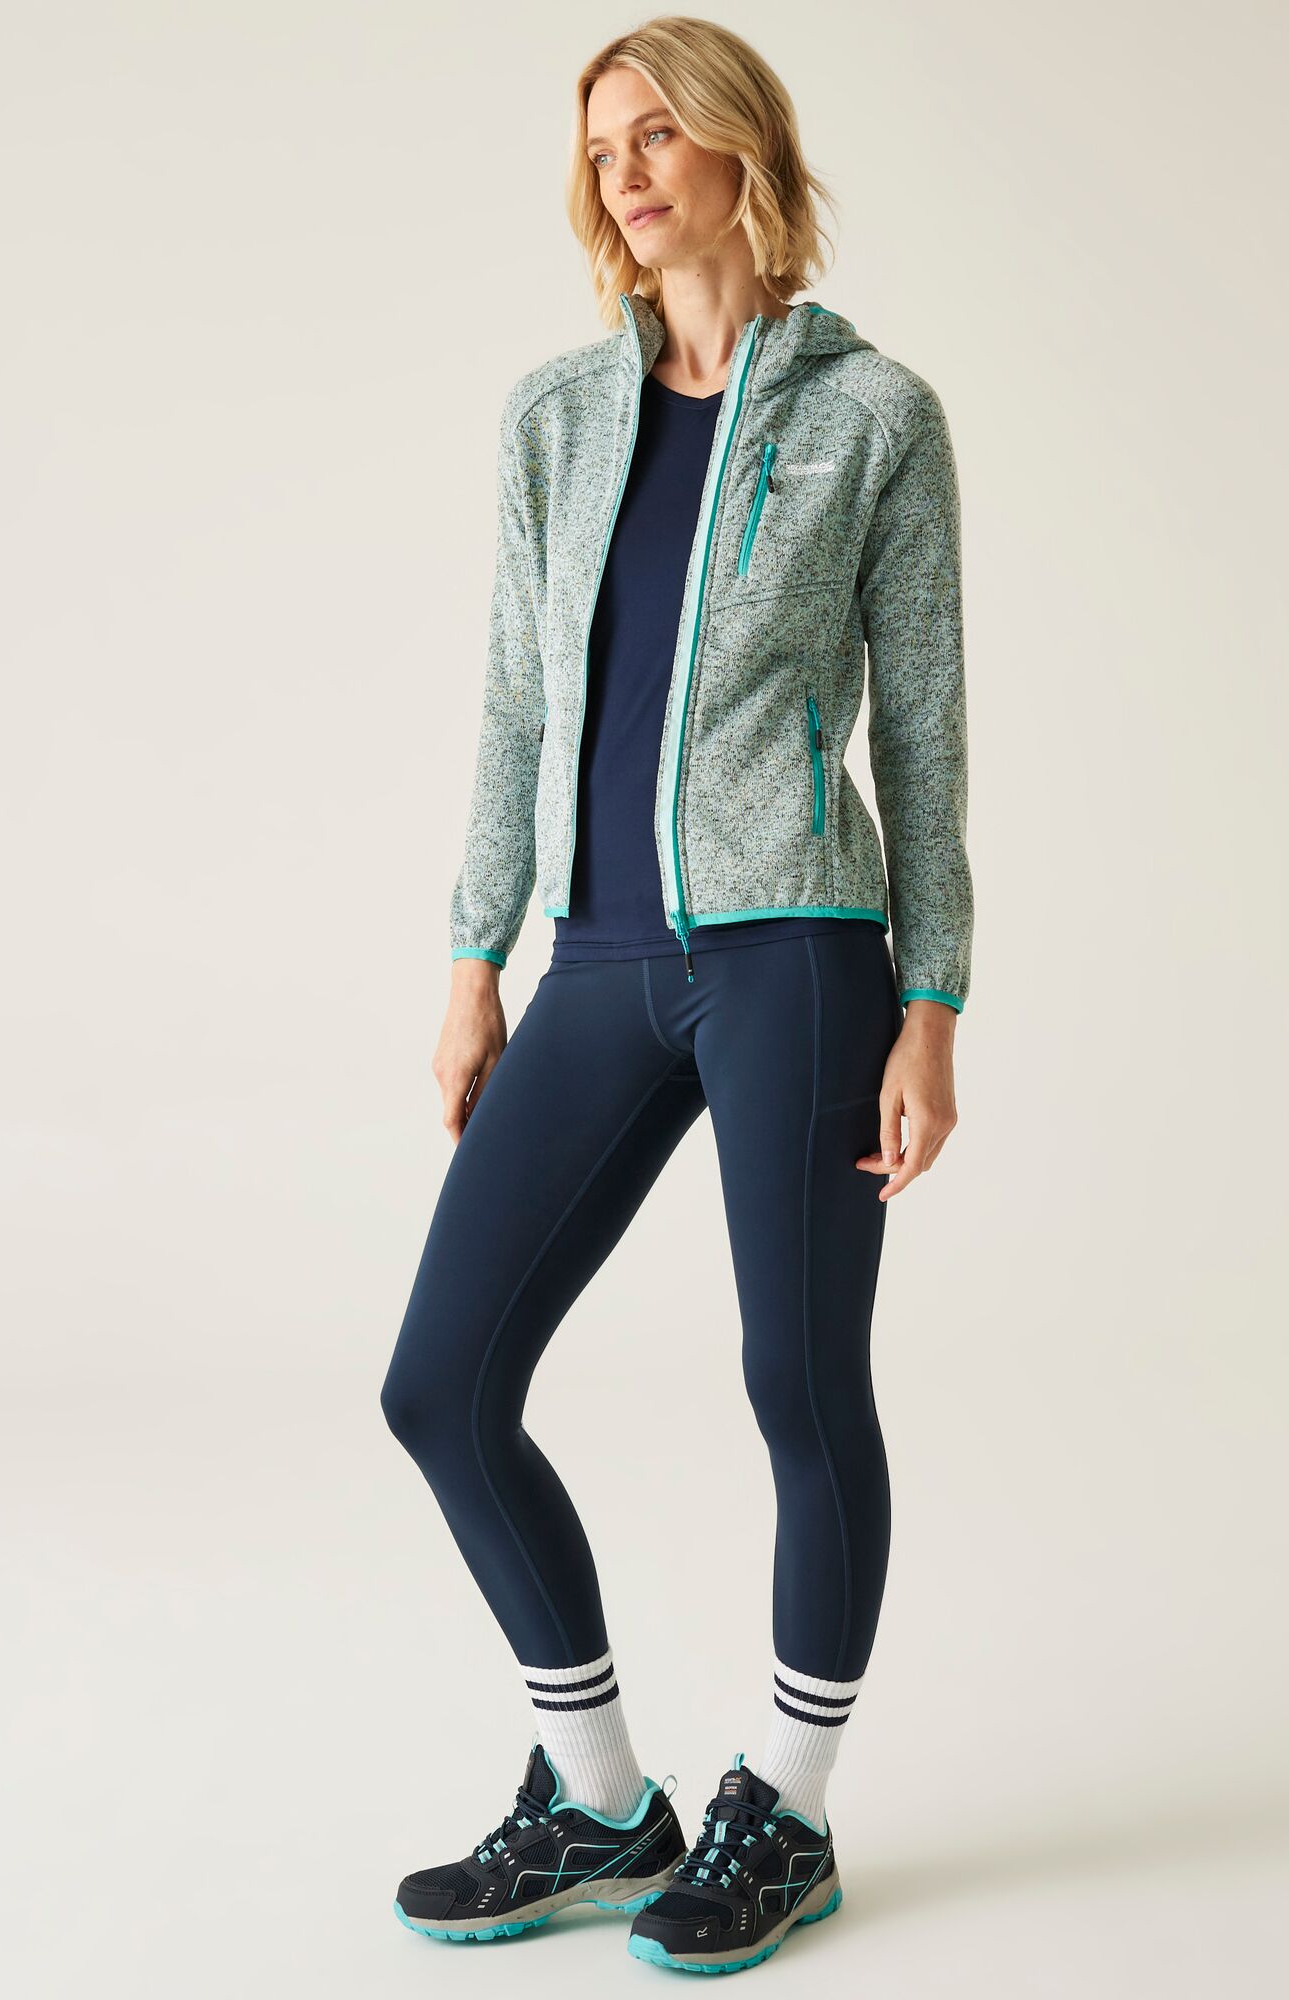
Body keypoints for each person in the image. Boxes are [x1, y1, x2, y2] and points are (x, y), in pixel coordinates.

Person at [379, 16, 972, 1974]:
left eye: (655, 134)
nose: (624, 172)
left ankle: (784, 1811)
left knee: (797, 1384)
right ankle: (600, 1800)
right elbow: (512, 702)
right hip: (599, 960)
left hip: (798, 956)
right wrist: (473, 959)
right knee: (442, 1383)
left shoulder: (873, 415)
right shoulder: (554, 419)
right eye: (599, 146)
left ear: (737, 150)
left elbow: (927, 729)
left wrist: (933, 999)